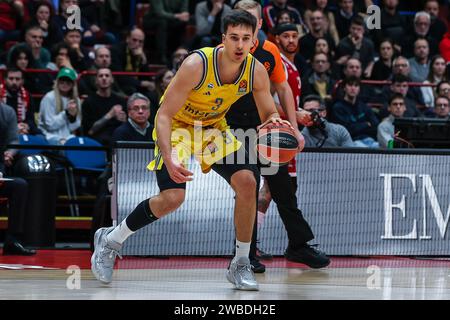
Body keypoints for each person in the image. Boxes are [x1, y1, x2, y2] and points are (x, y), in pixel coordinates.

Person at [91, 9, 290, 291]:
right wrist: (170, 158)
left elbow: (269, 112)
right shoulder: (197, 64)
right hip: (176, 126)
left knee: (248, 181)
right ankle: (111, 240)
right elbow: (162, 115)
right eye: (234, 38)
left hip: (211, 128)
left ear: (254, 41)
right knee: (172, 197)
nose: (240, 45)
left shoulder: (256, 71)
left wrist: (276, 124)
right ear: (223, 38)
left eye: (246, 39)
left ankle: (241, 263)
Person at [227, 0, 330, 273]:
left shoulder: (270, 51)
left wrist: (294, 129)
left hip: (266, 131)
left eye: (250, 20)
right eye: (239, 19)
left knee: (284, 191)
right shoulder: (224, 53)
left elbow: (283, 90)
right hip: (235, 132)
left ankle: (299, 244)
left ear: (260, 24)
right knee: (248, 189)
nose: (245, 24)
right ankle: (245, 253)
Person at [0, 101, 36, 256]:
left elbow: (14, 141)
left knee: (20, 185)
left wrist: (10, 153)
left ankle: (13, 240)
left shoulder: (7, 112)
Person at [81, 68, 127, 147]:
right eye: (101, 76)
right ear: (96, 81)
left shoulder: (120, 100)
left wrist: (123, 120)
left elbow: (126, 125)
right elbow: (90, 131)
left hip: (117, 138)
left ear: (112, 80)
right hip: (97, 140)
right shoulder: (89, 102)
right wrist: (110, 114)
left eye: (107, 75)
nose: (104, 78)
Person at [38, 67, 81, 145]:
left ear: (73, 84)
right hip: (49, 136)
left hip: (68, 136)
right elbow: (50, 126)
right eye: (62, 81)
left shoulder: (76, 100)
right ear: (57, 82)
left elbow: (74, 127)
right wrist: (66, 113)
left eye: (68, 81)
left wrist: (73, 117)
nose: (65, 83)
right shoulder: (49, 97)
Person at [0, 68, 42, 136]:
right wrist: (14, 128)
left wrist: (26, 126)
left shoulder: (27, 96)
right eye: (11, 79)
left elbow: (31, 120)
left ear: (22, 81)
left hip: (22, 131)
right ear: (4, 80)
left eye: (17, 79)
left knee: (40, 137)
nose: (14, 82)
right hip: (3, 132)